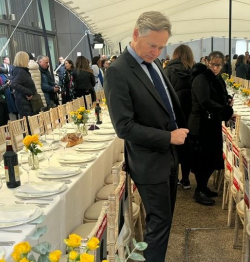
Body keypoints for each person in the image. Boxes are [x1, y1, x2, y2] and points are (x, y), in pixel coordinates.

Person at [104, 11, 187, 261]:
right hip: (149, 161)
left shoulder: (152, 64)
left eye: (162, 47)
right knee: (159, 224)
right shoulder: (118, 71)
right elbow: (124, 127)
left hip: (169, 156)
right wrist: (167, 137)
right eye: (153, 45)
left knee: (164, 220)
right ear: (136, 34)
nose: (157, 52)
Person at [188, 51, 233, 205]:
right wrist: (226, 110)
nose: (215, 68)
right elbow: (205, 101)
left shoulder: (216, 78)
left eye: (218, 65)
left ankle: (203, 187)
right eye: (213, 64)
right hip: (200, 125)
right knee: (203, 160)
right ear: (207, 62)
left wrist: (227, 100)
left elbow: (218, 95)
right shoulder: (201, 78)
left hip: (211, 123)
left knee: (210, 158)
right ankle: (199, 190)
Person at [164, 44, 194, 189]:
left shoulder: (167, 70)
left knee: (174, 146)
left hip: (173, 114)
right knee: (187, 146)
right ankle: (186, 179)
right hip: (190, 114)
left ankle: (174, 178)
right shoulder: (194, 71)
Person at [10, 51, 37, 117]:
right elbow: (14, 84)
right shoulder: (21, 71)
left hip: (25, 101)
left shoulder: (21, 70)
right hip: (24, 103)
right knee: (29, 124)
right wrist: (28, 92)